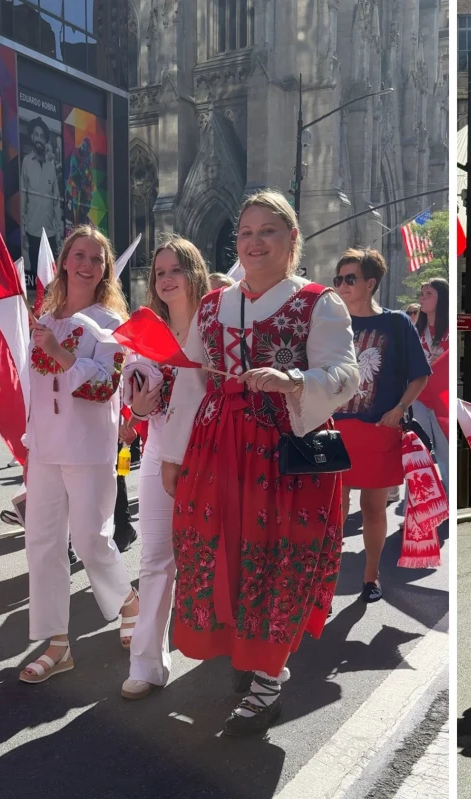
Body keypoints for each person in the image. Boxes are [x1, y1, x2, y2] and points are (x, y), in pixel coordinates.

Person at [158, 190, 358, 736]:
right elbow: (190, 382)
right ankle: (247, 655)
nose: (254, 241)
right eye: (245, 232)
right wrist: (172, 455)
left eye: (268, 230)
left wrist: (295, 380)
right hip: (217, 446)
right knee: (221, 548)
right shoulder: (211, 307)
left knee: (278, 557)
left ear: (292, 239)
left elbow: (347, 374)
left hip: (287, 446)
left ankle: (269, 676)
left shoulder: (320, 302)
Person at [20, 226, 139, 684]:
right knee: (43, 545)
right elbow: (32, 383)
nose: (87, 264)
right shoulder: (43, 319)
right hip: (45, 448)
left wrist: (62, 356)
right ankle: (56, 644)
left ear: (105, 269)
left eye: (97, 258)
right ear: (65, 262)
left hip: (89, 447)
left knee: (92, 540)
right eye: (80, 255)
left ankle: (128, 600)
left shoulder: (109, 323)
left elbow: (106, 383)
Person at [118, 235, 211, 701]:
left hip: (212, 456)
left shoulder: (215, 324)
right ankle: (147, 662)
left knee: (214, 555)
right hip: (158, 456)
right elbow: (135, 412)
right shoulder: (145, 334)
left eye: (175, 268)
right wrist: (136, 407)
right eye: (159, 272)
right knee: (156, 559)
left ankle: (233, 653)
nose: (166, 278)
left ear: (194, 272)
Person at [333, 249, 431, 604]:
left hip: (378, 429)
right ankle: (325, 584)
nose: (341, 285)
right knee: (334, 510)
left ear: (370, 283)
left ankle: (371, 577)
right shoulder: (330, 322)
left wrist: (400, 409)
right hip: (334, 429)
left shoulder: (396, 323)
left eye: (350, 278)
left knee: (374, 507)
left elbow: (419, 374)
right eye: (338, 278)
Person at [412, 278, 449, 477]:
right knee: (420, 451)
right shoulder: (417, 330)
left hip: (442, 402)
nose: (422, 298)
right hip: (419, 398)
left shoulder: (452, 330)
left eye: (429, 294)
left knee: (445, 455)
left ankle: (448, 497)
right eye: (422, 294)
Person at [21, 117, 61, 274]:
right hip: (32, 231)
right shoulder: (26, 162)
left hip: (50, 234)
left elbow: (56, 201)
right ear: (32, 137)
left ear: (45, 140)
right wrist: (23, 231)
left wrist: (58, 234)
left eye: (42, 136)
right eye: (36, 135)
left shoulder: (51, 167)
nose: (39, 139)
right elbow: (23, 197)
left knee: (51, 280)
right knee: (36, 277)